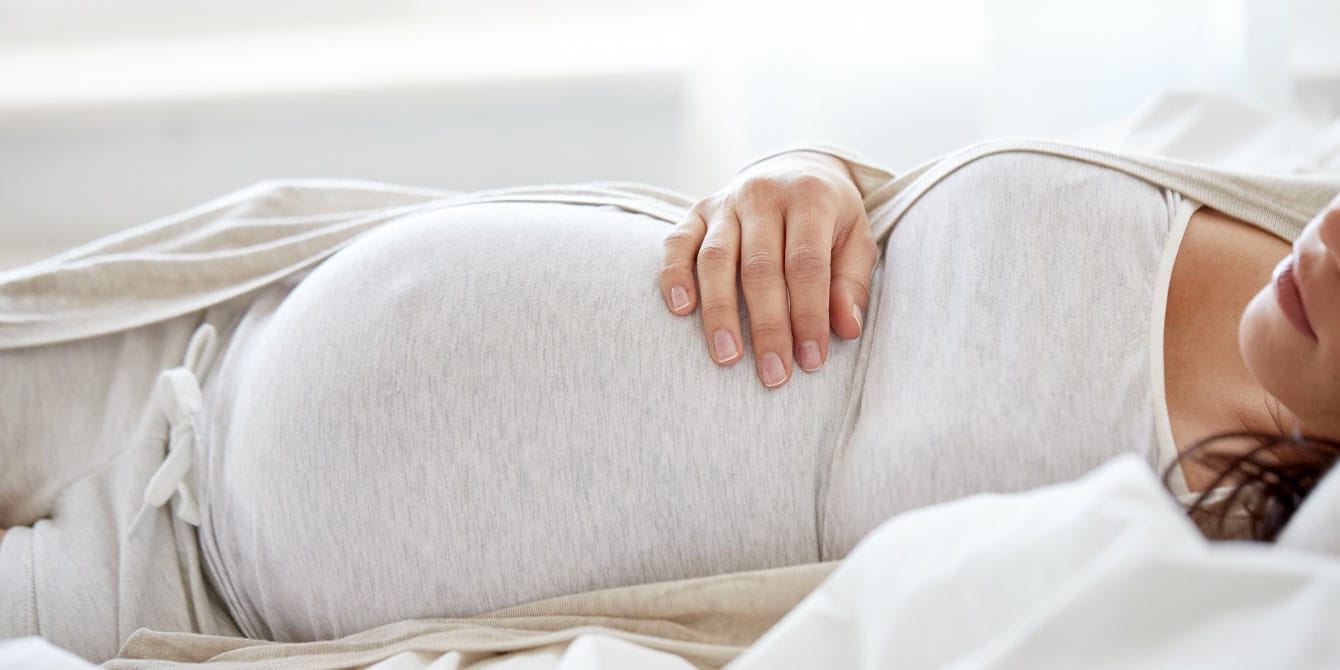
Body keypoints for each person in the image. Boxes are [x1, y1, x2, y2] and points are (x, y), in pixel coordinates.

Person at [1, 137, 1338, 662]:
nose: (1335, 236)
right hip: (209, 330)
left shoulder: (1212, 583)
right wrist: (803, 173)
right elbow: (898, 209)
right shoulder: (1282, 208)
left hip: (192, 600)